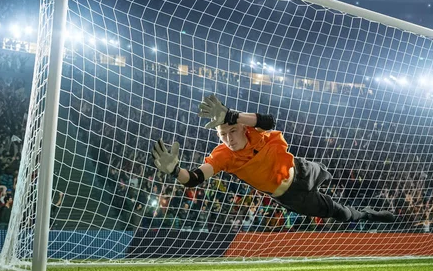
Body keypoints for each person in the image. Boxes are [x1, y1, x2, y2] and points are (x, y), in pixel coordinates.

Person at [151, 94, 395, 223]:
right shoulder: (222, 155)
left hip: (301, 170)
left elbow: (268, 120)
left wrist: (233, 115)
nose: (229, 139)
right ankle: (368, 214)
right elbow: (194, 178)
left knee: (336, 172)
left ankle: (360, 187)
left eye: (232, 131)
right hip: (289, 196)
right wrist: (175, 171)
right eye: (222, 135)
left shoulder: (252, 130)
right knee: (338, 213)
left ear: (240, 127)